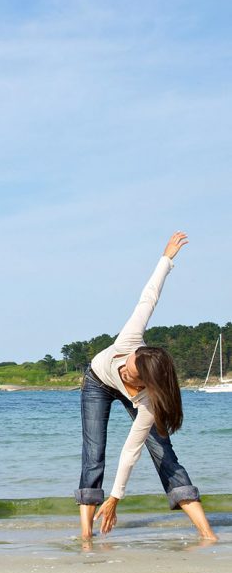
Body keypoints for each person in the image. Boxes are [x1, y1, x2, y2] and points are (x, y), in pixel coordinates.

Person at [75, 231, 217, 542]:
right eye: (128, 362)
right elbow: (149, 296)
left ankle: (207, 533)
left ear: (145, 382)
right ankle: (86, 535)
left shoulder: (149, 402)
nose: (124, 368)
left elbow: (130, 451)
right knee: (94, 452)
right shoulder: (130, 342)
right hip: (96, 382)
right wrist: (166, 259)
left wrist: (115, 498)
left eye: (130, 372)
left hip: (139, 401)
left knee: (163, 451)